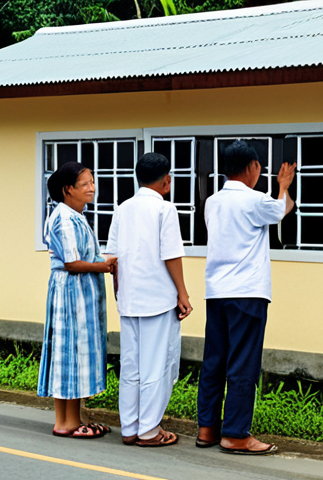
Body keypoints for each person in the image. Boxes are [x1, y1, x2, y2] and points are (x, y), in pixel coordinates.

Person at [196, 140, 296, 455]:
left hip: (217, 293)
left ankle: (207, 428)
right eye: (259, 167)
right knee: (243, 363)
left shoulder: (212, 202)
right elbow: (283, 209)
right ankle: (236, 434)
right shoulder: (255, 200)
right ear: (253, 168)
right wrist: (283, 186)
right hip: (247, 294)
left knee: (214, 360)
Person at [105, 152, 193, 448]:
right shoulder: (165, 210)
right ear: (167, 180)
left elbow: (112, 259)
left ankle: (129, 428)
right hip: (158, 299)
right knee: (158, 365)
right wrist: (182, 292)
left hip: (129, 299)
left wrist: (121, 292)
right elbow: (171, 255)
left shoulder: (122, 209)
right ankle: (149, 431)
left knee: (132, 367)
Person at [38, 162, 116, 438]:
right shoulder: (64, 217)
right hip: (70, 292)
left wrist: (102, 262)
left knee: (73, 354)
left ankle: (74, 418)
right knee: (69, 353)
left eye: (92, 182)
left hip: (78, 292)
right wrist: (103, 266)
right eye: (85, 184)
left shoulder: (75, 215)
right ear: (67, 189)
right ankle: (65, 423)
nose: (92, 188)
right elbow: (71, 262)